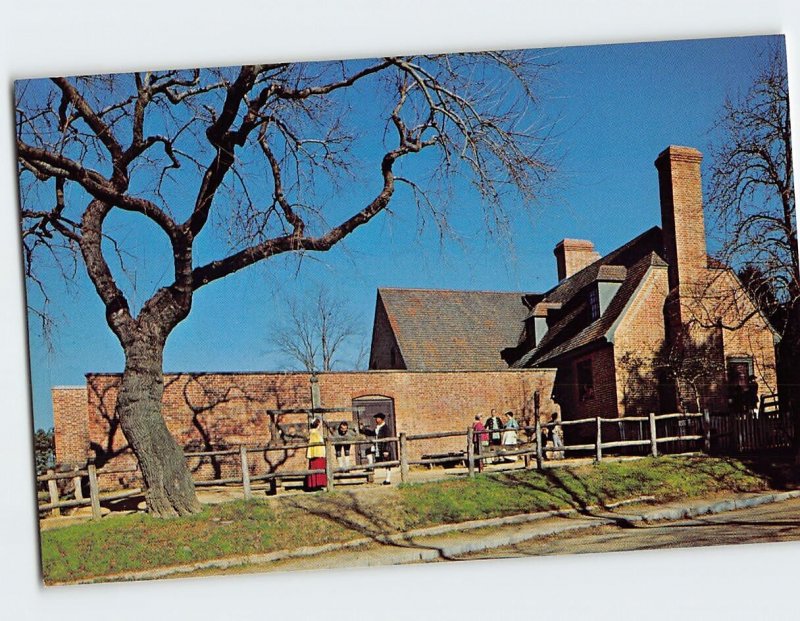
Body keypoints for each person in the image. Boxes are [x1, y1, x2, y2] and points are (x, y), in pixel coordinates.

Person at [305, 418, 327, 491]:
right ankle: (316, 485)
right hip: (317, 454)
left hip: (319, 453)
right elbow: (315, 444)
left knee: (320, 468)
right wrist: (317, 453)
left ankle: (319, 484)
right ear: (318, 424)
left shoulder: (316, 432)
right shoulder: (314, 433)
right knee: (317, 468)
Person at [373, 413, 395, 485]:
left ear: (382, 419)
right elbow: (371, 433)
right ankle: (370, 469)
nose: (376, 420)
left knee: (387, 464)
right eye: (376, 418)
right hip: (378, 448)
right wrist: (363, 430)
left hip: (385, 448)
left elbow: (388, 440)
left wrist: (386, 450)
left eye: (378, 418)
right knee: (368, 452)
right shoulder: (378, 427)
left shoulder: (386, 428)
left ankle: (388, 479)